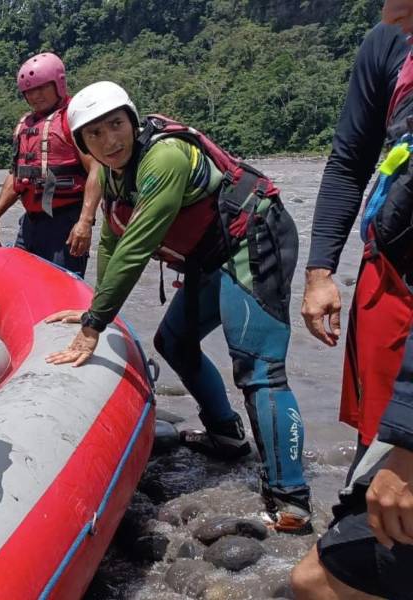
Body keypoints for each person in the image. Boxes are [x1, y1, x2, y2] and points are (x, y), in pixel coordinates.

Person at [43, 81, 312, 532]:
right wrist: (94, 305)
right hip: (212, 255)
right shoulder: (112, 173)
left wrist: (94, 326)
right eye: (95, 135)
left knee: (258, 368)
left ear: (132, 119)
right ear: (82, 145)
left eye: (116, 125)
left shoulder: (163, 159)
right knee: (174, 341)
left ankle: (291, 501)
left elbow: (138, 245)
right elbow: (111, 238)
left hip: (254, 238)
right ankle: (225, 435)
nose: (110, 141)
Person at [289, 3, 413, 596]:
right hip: (384, 282)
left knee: (317, 580)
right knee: (372, 445)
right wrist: (319, 273)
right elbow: (347, 162)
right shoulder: (386, 46)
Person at [0, 52, 102, 276]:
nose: (35, 96)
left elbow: (97, 169)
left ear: (58, 84)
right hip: (30, 224)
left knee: (60, 291)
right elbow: (15, 176)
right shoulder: (25, 126)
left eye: (41, 88)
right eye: (29, 91)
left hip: (65, 224)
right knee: (18, 283)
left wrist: (85, 222)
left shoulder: (73, 120)